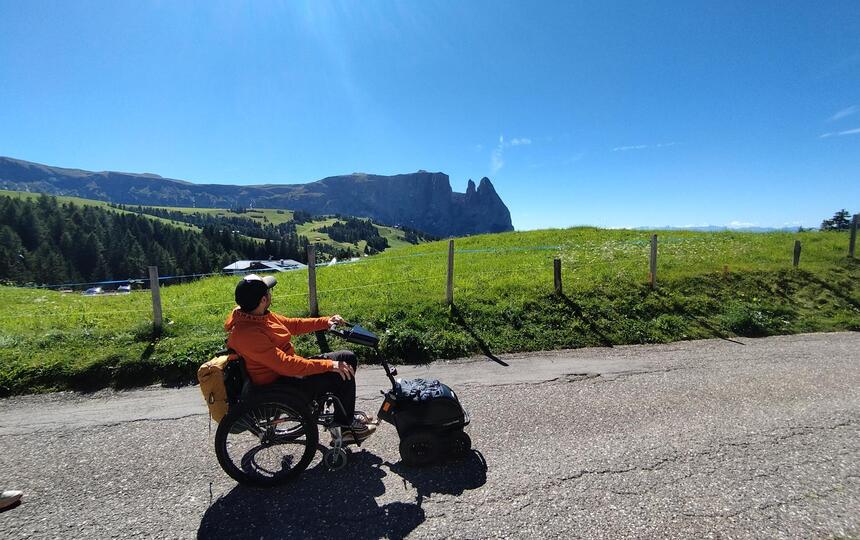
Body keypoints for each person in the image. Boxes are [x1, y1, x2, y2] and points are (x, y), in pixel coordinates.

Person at [223, 273, 376, 444]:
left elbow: (293, 325)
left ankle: (343, 413)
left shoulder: (258, 316)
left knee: (347, 357)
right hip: (280, 386)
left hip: (287, 376)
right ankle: (344, 427)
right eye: (269, 292)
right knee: (342, 369)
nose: (271, 294)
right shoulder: (248, 334)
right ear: (263, 300)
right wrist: (329, 365)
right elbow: (286, 365)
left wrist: (326, 321)